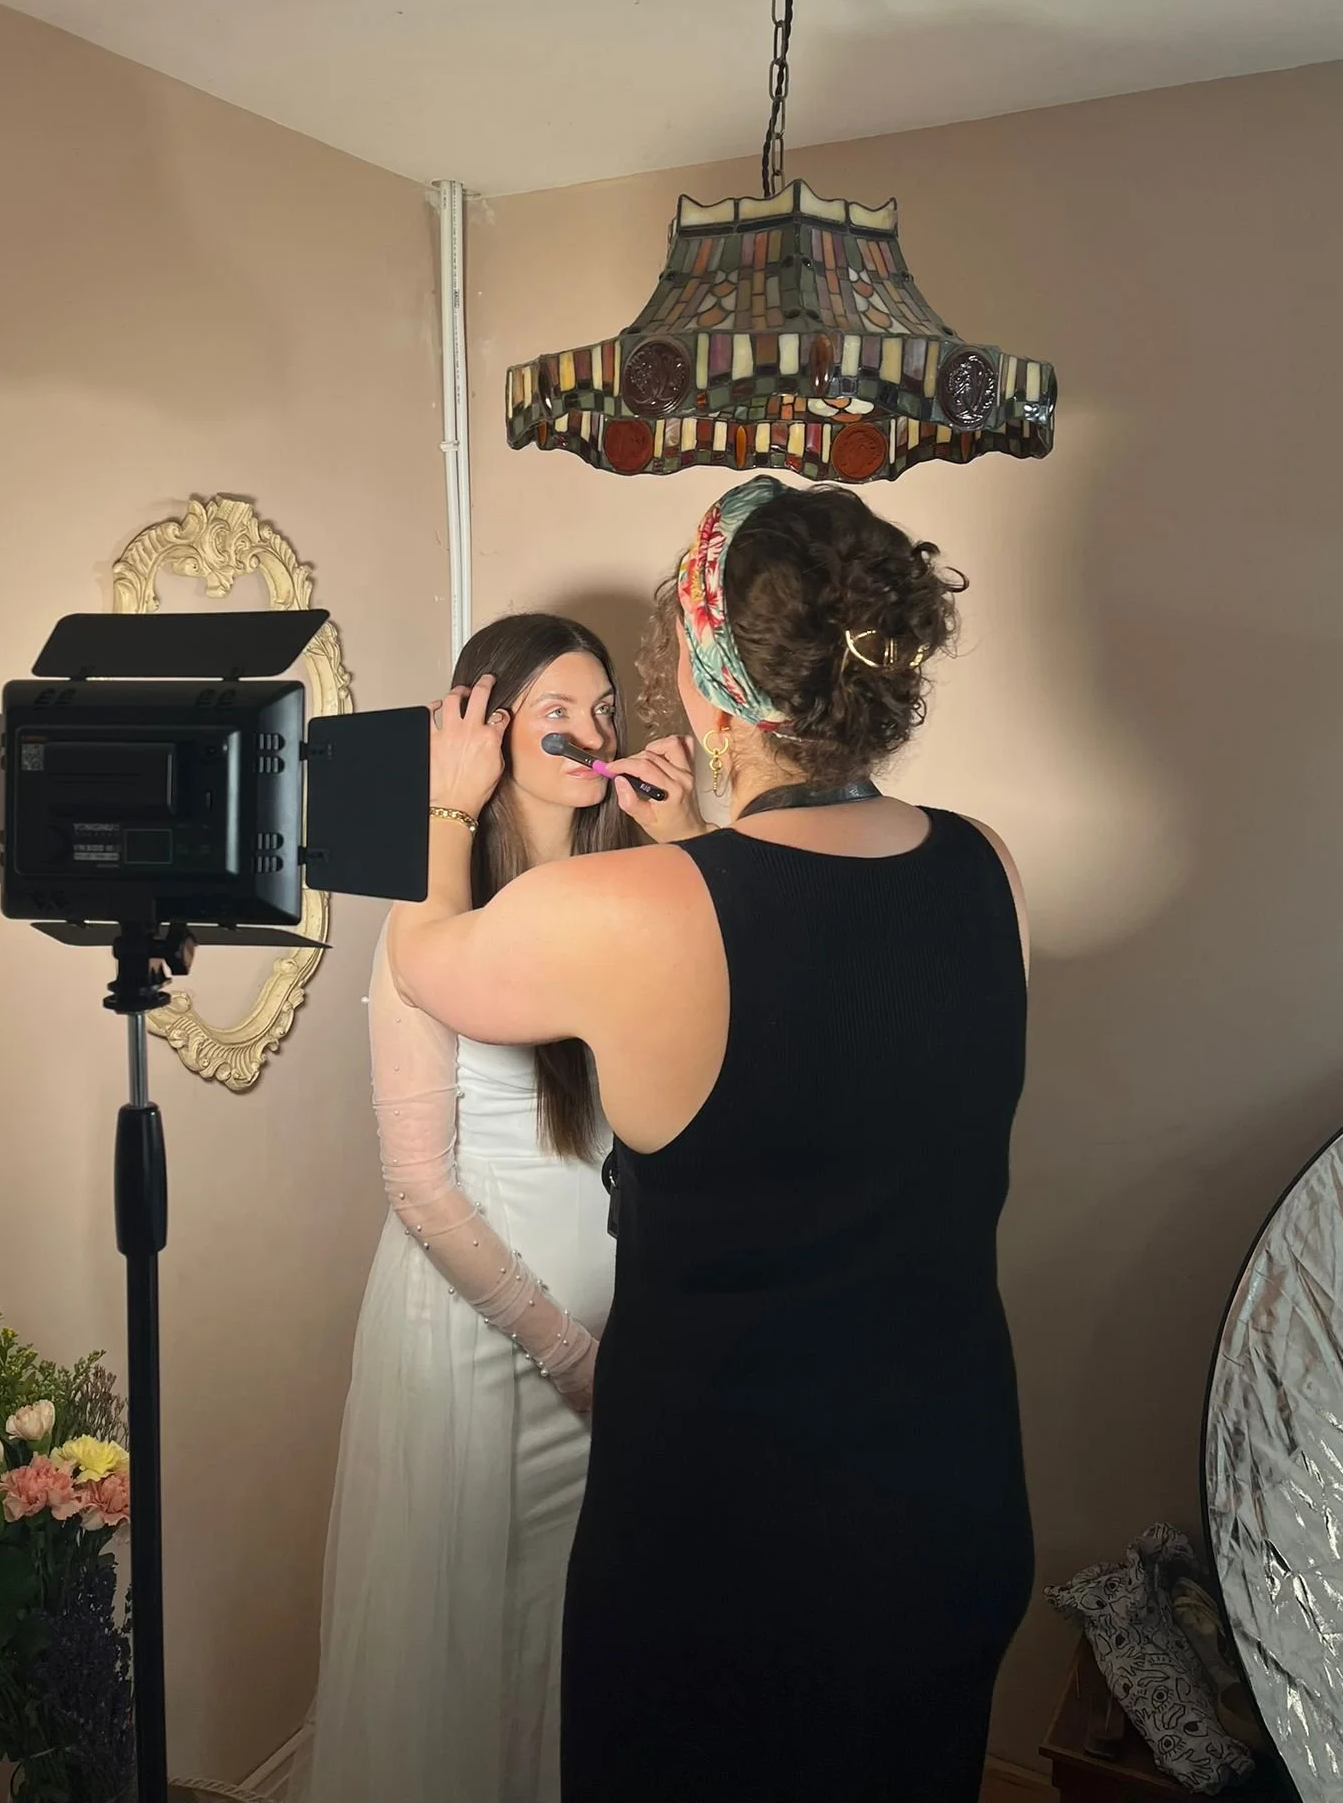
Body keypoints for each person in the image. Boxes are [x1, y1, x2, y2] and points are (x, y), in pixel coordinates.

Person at [390, 478, 1034, 1803]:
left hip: (730, 1531)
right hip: (950, 1495)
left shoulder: (632, 907)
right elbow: (840, 1036)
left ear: (714, 680)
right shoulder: (987, 866)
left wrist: (446, 805)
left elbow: (430, 961)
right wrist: (693, 838)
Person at [309, 613, 700, 1803]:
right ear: (480, 737)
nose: (590, 736)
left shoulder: (630, 895)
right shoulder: (426, 925)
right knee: (478, 1651)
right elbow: (422, 1185)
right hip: (484, 1347)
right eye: (554, 715)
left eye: (604, 712)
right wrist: (566, 1351)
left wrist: (694, 842)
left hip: (622, 1346)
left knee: (586, 1643)